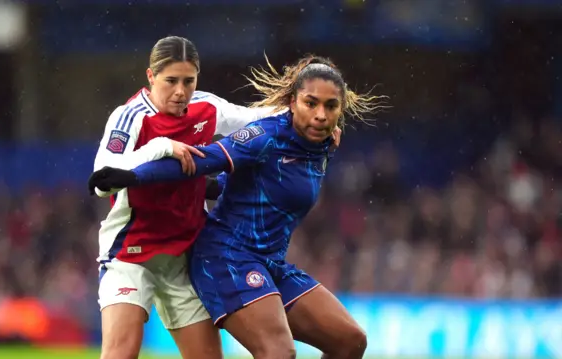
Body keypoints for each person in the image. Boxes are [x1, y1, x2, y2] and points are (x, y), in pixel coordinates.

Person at [89, 54, 384, 359]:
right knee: (279, 353)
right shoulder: (264, 137)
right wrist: (132, 176)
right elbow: (202, 161)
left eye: (330, 106)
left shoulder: (322, 144)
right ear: (293, 103)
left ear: (341, 109)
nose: (321, 114)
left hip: (270, 262)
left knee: (350, 341)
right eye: (311, 103)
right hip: (227, 257)